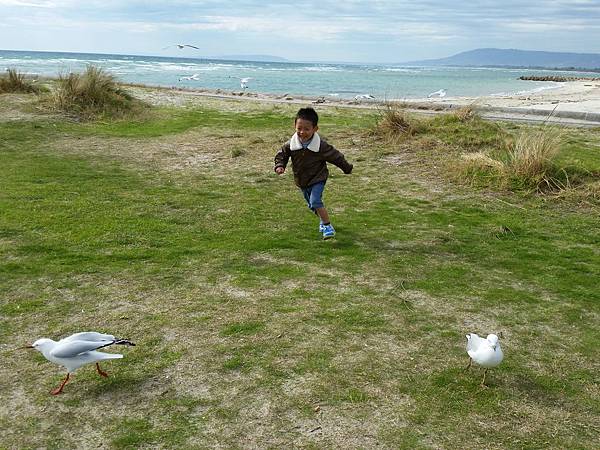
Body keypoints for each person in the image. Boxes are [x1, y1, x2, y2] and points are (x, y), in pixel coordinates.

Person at [274, 107, 353, 240]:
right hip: (302, 180)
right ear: (295, 126)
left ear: (315, 129)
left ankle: (328, 227)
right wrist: (280, 165)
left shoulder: (321, 146)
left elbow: (336, 156)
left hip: (318, 178)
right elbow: (282, 155)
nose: (302, 132)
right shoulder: (290, 145)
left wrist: (347, 168)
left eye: (306, 129)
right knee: (312, 205)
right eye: (299, 128)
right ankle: (323, 220)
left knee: (315, 201)